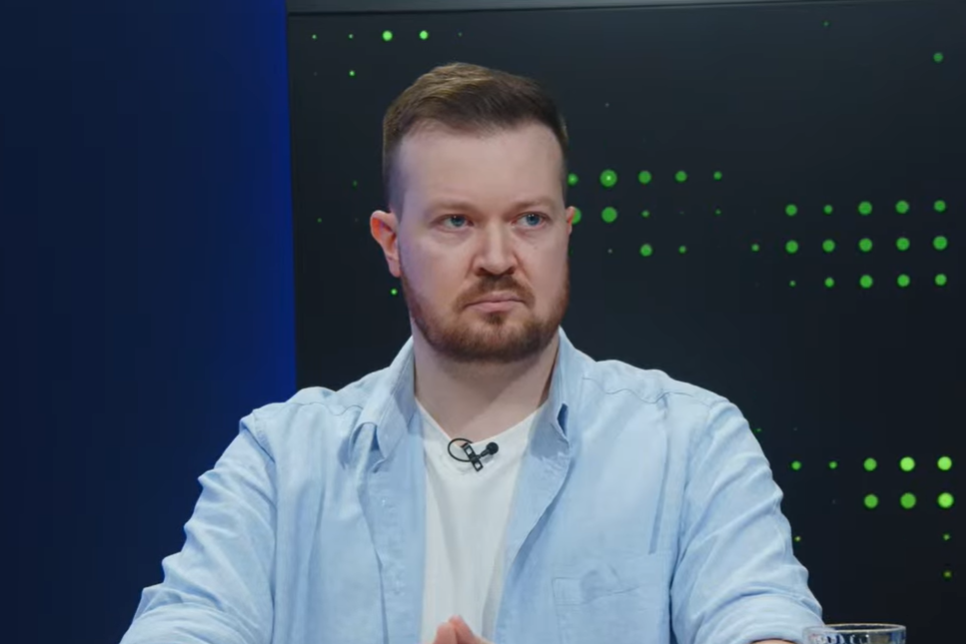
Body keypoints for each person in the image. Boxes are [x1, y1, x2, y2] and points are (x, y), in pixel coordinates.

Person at [120, 62, 823, 644]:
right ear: (391, 242)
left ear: (566, 230)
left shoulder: (689, 444)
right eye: (456, 221)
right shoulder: (283, 460)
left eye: (529, 219)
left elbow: (763, 619)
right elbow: (186, 624)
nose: (496, 257)